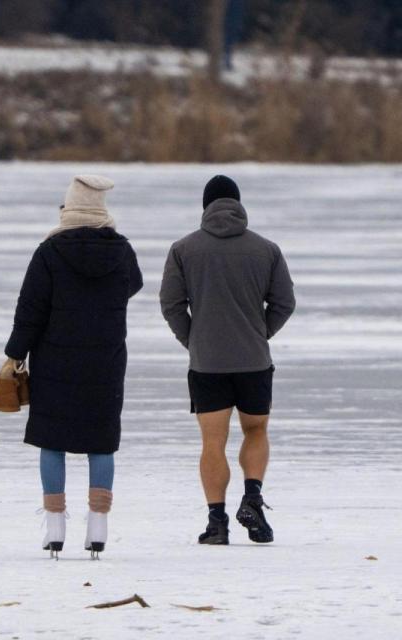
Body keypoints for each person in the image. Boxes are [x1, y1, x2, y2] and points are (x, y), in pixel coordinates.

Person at [2, 174, 142, 559]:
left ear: (69, 208)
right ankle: (98, 526)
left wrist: (14, 354)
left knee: (53, 440)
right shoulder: (122, 251)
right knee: (101, 441)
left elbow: (30, 311)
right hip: (105, 361)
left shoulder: (49, 252)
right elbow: (134, 285)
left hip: (55, 360)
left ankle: (55, 527)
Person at [160, 175, 295, 545]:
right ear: (238, 204)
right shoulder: (266, 250)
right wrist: (259, 333)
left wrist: (194, 341)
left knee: (212, 441)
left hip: (207, 364)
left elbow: (171, 304)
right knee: (256, 430)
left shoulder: (183, 249)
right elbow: (284, 303)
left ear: (205, 206)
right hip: (254, 361)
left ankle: (217, 523)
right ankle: (252, 497)